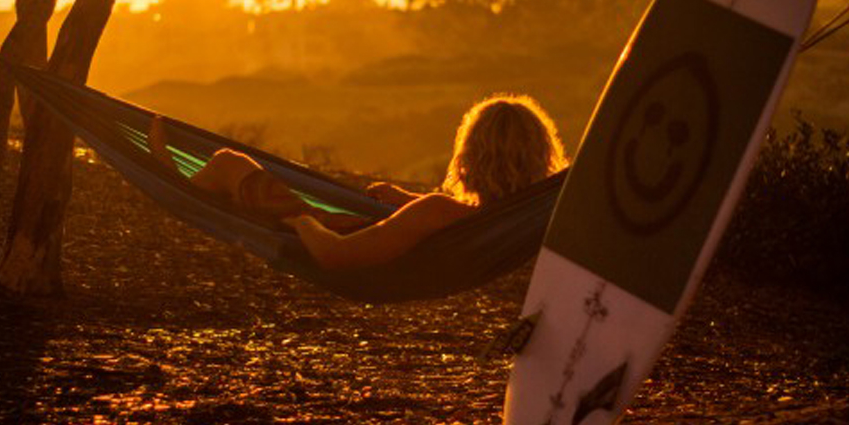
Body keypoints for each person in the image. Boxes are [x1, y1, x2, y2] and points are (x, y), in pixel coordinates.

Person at [147, 94, 566, 270]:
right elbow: (453, 221)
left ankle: (172, 182)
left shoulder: (440, 212)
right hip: (364, 228)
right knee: (234, 172)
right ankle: (184, 185)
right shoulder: (516, 218)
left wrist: (301, 222)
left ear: (471, 155)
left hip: (327, 235)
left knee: (228, 162)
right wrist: (407, 200)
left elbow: (338, 257)